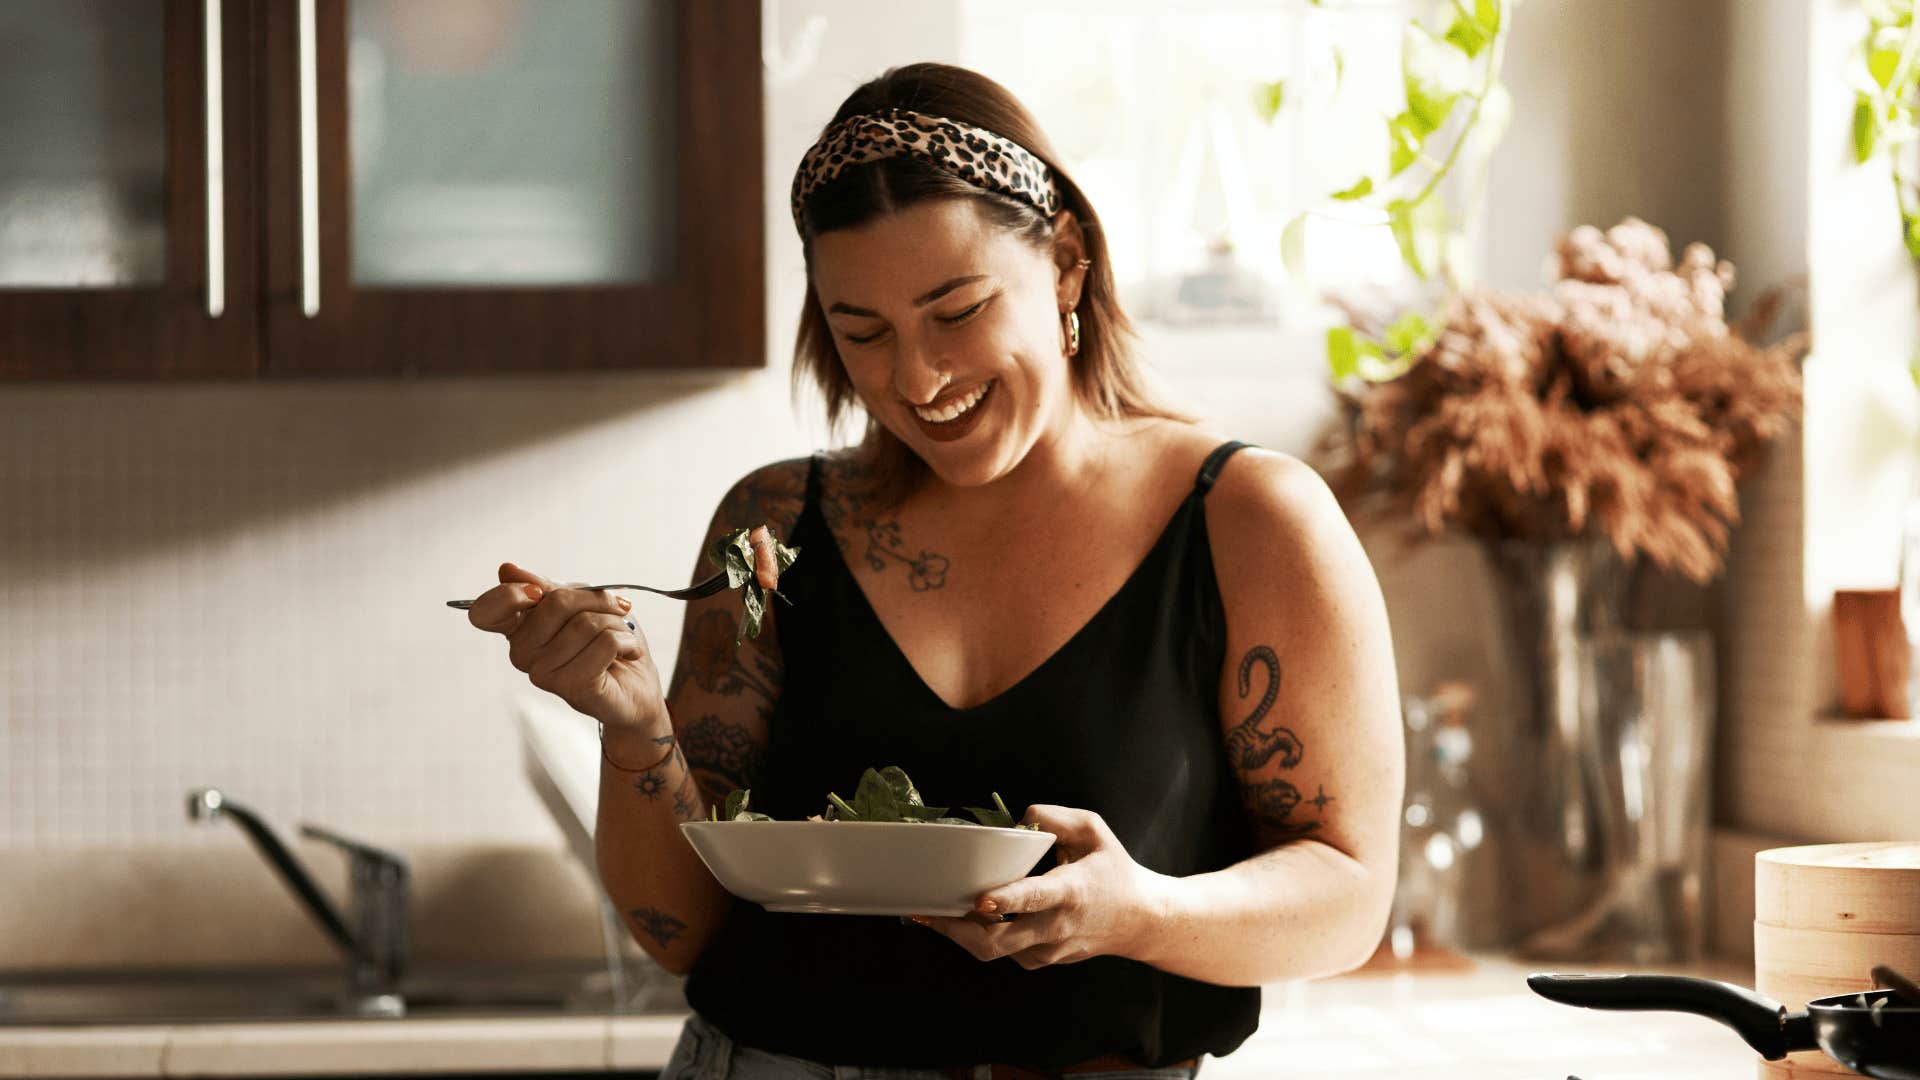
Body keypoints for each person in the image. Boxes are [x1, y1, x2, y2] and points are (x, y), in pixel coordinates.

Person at [466, 62, 1404, 1080]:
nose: (915, 379)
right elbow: (682, 933)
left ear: (1067, 264)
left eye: (956, 311)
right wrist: (633, 723)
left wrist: (1136, 915)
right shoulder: (777, 526)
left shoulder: (1248, 523)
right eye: (860, 332)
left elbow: (1348, 899)